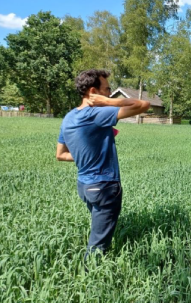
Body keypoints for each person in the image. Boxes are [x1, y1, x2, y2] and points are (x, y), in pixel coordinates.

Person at [56, 69, 150, 260]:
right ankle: (89, 280)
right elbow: (143, 105)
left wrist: (87, 154)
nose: (109, 93)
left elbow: (61, 154)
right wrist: (106, 102)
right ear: (93, 92)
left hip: (84, 186)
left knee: (99, 233)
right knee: (97, 247)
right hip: (104, 187)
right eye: (107, 90)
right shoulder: (96, 113)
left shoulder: (68, 118)